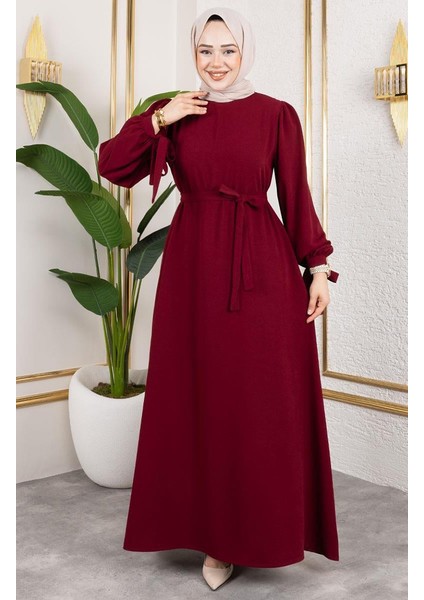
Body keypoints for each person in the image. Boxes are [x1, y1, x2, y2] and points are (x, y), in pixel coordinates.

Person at [98, 6, 340, 592]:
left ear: (245, 51)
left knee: (258, 403)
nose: (217, 62)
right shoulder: (176, 113)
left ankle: (259, 531)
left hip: (263, 269)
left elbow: (296, 196)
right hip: (193, 272)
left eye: (228, 49)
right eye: (206, 50)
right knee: (202, 399)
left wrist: (317, 267)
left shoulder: (276, 114)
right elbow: (112, 166)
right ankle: (214, 539)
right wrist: (159, 119)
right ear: (194, 54)